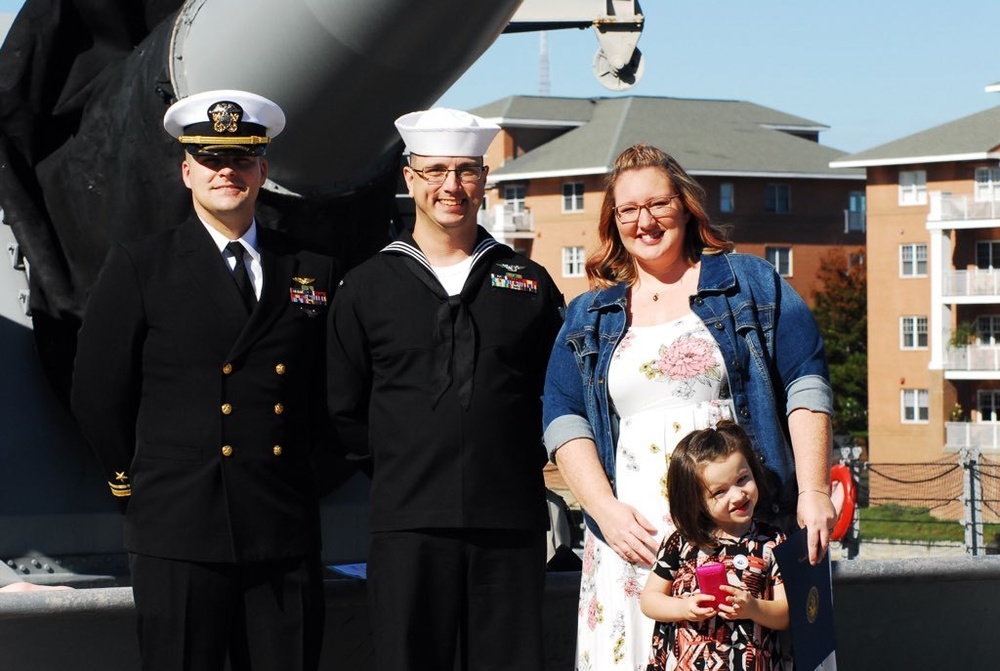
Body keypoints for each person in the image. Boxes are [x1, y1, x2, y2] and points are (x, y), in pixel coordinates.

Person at [71, 89, 341, 671]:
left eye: (242, 160)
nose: (228, 171)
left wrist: (304, 477)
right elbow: (97, 392)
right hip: (178, 524)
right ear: (187, 170)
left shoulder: (311, 270)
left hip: (279, 522)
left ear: (263, 170)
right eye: (212, 160)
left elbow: (333, 391)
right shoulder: (141, 264)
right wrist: (132, 483)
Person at [541, 143, 834, 669]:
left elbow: (806, 381)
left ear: (686, 206)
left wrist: (813, 491)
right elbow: (562, 417)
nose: (645, 221)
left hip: (742, 529)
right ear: (613, 221)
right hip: (636, 537)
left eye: (658, 204)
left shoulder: (749, 282)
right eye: (628, 210)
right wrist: (604, 511)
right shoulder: (589, 314)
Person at [326, 107, 564, 671]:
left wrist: (507, 460)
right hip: (407, 523)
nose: (450, 187)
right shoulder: (365, 287)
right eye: (434, 172)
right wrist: (406, 465)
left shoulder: (527, 283)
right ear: (409, 179)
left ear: (485, 180)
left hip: (508, 521)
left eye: (465, 171)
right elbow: (342, 408)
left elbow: (556, 396)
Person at [640, 421, 790, 671]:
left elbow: (785, 614)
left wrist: (753, 608)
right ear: (694, 500)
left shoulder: (772, 542)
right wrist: (684, 607)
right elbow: (650, 601)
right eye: (720, 492)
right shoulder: (681, 541)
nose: (738, 494)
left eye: (743, 479)